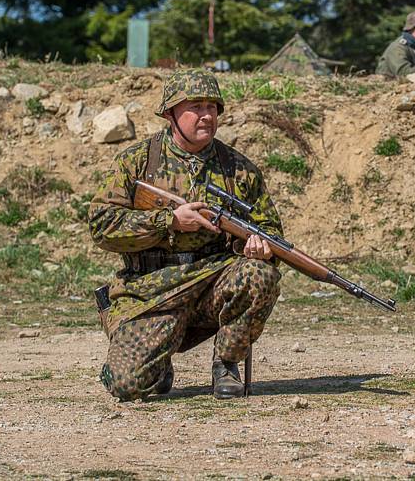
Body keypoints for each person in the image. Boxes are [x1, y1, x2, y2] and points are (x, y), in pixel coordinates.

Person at [88, 69, 283, 401]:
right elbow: (101, 224)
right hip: (151, 291)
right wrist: (169, 221)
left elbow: (272, 232)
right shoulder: (136, 163)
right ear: (169, 113)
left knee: (260, 275)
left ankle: (226, 362)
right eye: (195, 106)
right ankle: (155, 362)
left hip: (212, 283)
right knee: (126, 386)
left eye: (212, 107)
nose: (206, 115)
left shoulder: (238, 169)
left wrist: (258, 247)